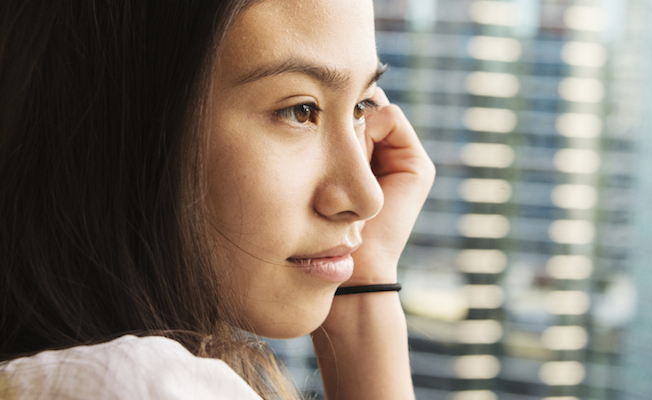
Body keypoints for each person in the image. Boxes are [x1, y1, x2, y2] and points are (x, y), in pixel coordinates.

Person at [0, 0, 434, 399]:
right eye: (300, 110)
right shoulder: (135, 384)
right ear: (128, 126)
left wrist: (364, 280)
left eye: (361, 107)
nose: (368, 195)